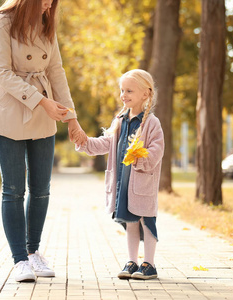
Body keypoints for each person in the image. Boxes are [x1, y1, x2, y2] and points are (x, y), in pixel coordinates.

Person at [0, 0, 86, 282]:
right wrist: (42, 102)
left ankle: (33, 253)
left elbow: (56, 71)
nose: (48, 4)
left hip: (43, 114)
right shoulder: (1, 21)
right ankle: (19, 260)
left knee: (41, 189)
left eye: (52, 1)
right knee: (14, 189)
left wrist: (72, 118)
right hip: (8, 113)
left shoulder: (46, 23)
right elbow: (2, 72)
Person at [75, 69, 164, 280]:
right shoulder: (120, 120)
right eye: (122, 90)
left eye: (129, 90)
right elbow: (105, 143)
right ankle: (132, 261)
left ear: (145, 93)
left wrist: (139, 157)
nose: (124, 94)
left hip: (141, 184)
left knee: (146, 221)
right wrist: (84, 142)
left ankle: (149, 264)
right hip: (123, 183)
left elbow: (157, 150)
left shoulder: (151, 123)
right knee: (130, 222)